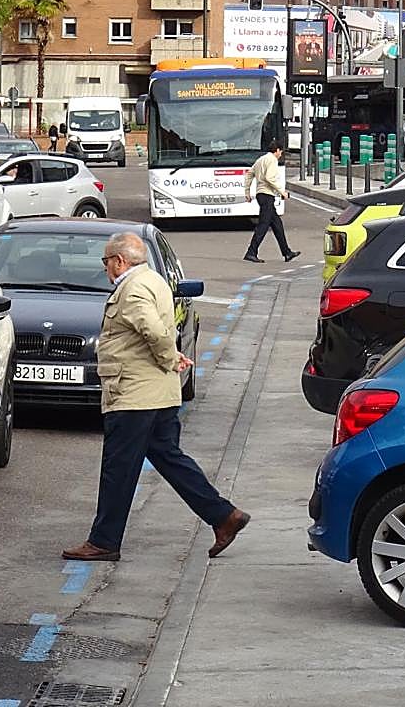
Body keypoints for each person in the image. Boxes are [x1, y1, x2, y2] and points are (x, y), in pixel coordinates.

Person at [62, 232, 249, 562]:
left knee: (118, 469)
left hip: (135, 394)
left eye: (106, 262)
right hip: (158, 393)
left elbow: (152, 329)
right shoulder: (154, 280)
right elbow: (162, 331)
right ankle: (223, 516)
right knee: (169, 458)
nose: (105, 269)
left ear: (120, 261)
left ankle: (104, 541)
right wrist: (171, 356)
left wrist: (169, 357)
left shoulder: (132, 289)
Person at [242, 143, 300, 264]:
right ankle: (251, 252)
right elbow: (269, 178)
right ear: (277, 150)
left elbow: (249, 174)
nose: (281, 154)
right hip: (267, 195)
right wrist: (282, 192)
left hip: (261, 195)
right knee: (263, 225)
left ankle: (287, 252)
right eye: (281, 152)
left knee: (277, 224)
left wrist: (247, 192)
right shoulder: (272, 160)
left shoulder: (260, 159)